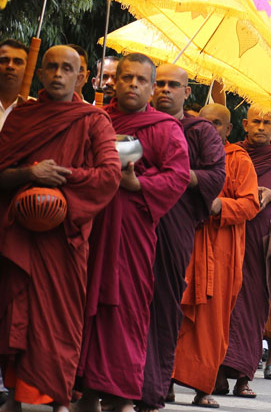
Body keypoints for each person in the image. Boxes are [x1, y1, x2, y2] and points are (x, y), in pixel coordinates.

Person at [0, 45, 121, 412]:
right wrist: (29, 175)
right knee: (15, 311)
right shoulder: (22, 116)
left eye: (66, 68)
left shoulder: (94, 120)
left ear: (80, 76)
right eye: (50, 67)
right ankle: (16, 396)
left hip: (65, 237)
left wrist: (60, 179)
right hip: (20, 232)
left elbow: (110, 174)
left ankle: (57, 397)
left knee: (60, 318)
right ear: (39, 75)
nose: (57, 74)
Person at [76, 53, 190, 412]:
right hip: (93, 224)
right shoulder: (96, 119)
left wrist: (137, 183)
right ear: (114, 80)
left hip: (131, 231)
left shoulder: (165, 128)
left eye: (141, 80)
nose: (132, 85)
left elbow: (178, 175)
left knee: (125, 309)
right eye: (126, 78)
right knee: (85, 305)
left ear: (152, 87)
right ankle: (87, 393)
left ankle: (122, 395)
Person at [138, 64, 226, 411]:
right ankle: (110, 382)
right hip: (133, 217)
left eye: (173, 85)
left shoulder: (199, 130)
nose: (165, 90)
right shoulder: (134, 122)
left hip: (174, 222)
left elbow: (215, 175)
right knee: (122, 297)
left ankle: (152, 387)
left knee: (162, 300)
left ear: (187, 92)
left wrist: (179, 175)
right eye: (158, 83)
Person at [172, 104, 260, 408]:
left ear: (229, 130)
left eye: (218, 125)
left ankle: (203, 387)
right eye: (205, 123)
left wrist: (221, 206)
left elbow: (251, 204)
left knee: (212, 320)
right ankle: (165, 380)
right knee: (174, 311)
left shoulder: (238, 160)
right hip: (186, 240)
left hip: (221, 250)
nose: (210, 129)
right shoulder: (182, 150)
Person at [217, 105, 271, 395]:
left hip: (260, 246)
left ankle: (243, 377)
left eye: (266, 122)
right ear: (244, 123)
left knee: (253, 309)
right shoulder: (232, 153)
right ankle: (216, 373)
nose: (260, 126)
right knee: (224, 307)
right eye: (255, 121)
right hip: (229, 236)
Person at [0, 38, 27, 131]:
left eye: (18, 62)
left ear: (28, 69)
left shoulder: (35, 109)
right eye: (4, 60)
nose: (10, 66)